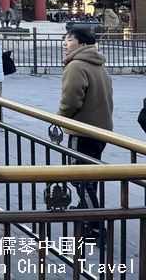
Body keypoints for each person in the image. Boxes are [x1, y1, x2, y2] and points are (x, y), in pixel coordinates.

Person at [57, 28, 113, 237]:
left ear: (81, 45)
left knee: (79, 177)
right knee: (91, 175)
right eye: (64, 39)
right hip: (101, 128)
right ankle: (86, 209)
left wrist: (59, 117)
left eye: (70, 40)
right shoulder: (98, 64)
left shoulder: (77, 65)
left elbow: (71, 100)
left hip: (82, 129)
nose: (65, 43)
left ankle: (94, 222)